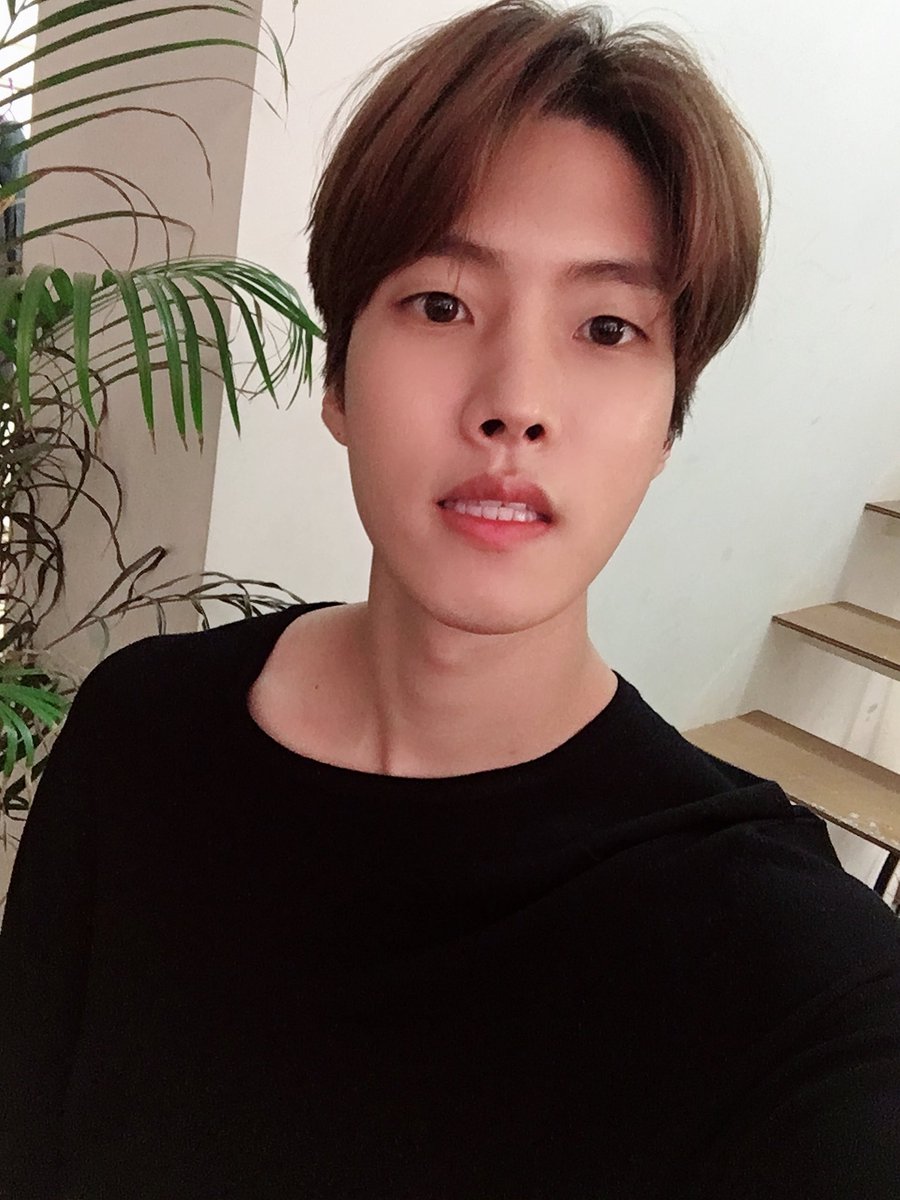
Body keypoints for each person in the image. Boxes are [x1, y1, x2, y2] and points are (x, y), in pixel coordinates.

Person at [2, 1, 899, 1196]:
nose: (515, 401)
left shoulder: (781, 960)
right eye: (441, 304)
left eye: (607, 327)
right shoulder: (140, 731)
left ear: (667, 427)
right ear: (338, 377)